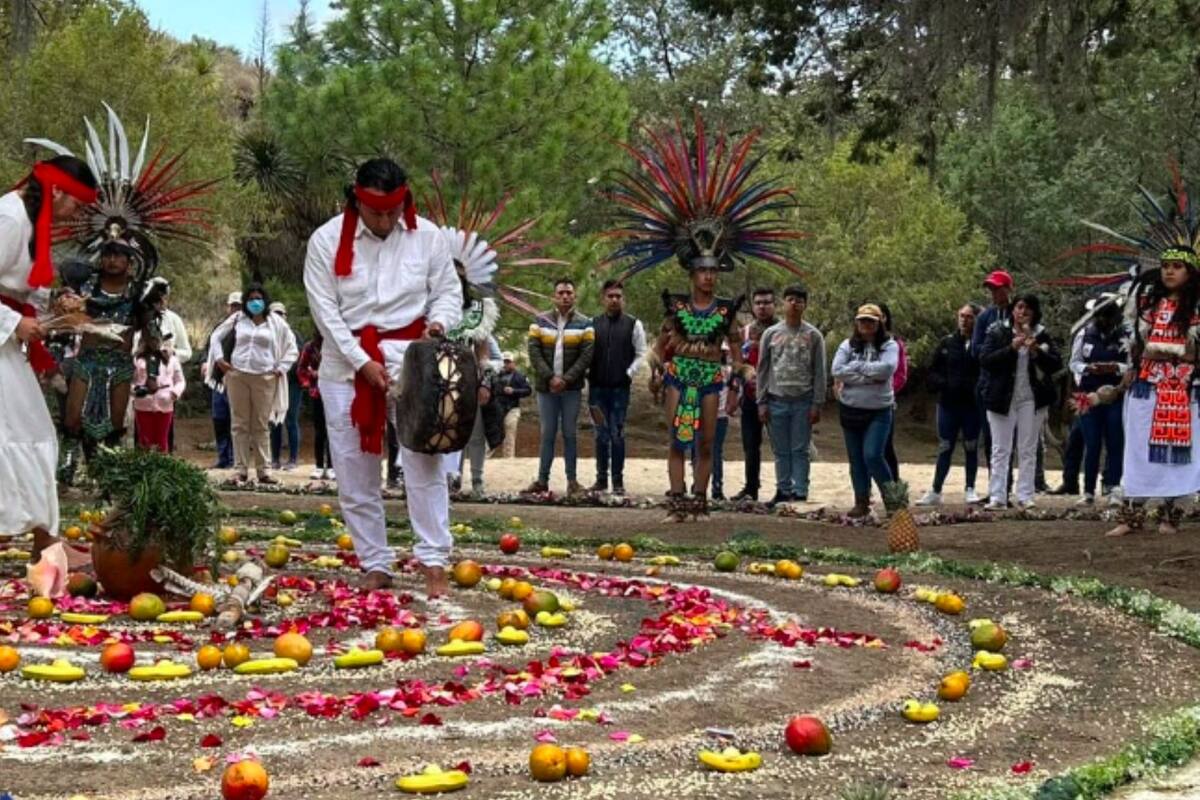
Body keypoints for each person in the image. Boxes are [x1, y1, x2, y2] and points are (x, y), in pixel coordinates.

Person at [603, 117, 802, 521]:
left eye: (713, 271)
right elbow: (660, 350)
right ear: (691, 274)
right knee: (679, 440)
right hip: (680, 376)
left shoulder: (727, 310)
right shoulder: (675, 308)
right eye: (702, 271)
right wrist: (657, 369)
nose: (709, 276)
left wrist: (743, 374)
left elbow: (735, 351)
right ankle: (677, 500)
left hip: (711, 377)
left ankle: (699, 499)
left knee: (708, 442)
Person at [304, 157, 462, 596]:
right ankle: (374, 561)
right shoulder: (324, 240)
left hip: (413, 360)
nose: (387, 220)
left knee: (423, 461)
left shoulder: (427, 235)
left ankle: (433, 559)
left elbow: (448, 291)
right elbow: (325, 313)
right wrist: (360, 362)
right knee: (355, 470)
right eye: (377, 212)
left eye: (394, 211)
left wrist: (439, 324)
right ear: (357, 200)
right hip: (345, 363)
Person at [0, 154, 97, 557]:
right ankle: (42, 541)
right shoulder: (9, 218)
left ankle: (45, 540)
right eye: (76, 204)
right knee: (20, 433)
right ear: (57, 192)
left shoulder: (32, 222)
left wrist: (60, 307)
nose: (76, 215)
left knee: (33, 433)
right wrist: (12, 322)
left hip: (7, 341)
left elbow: (25, 289)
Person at [205, 282, 298, 485]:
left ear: (265, 301)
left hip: (265, 378)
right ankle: (240, 469)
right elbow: (216, 336)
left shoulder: (276, 323)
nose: (255, 303)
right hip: (237, 375)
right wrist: (220, 359)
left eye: (259, 299)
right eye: (251, 299)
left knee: (261, 424)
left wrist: (281, 368)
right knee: (239, 423)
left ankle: (264, 470)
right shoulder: (238, 319)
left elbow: (292, 348)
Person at [977, 294, 1061, 510]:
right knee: (1000, 449)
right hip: (1001, 397)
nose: (1022, 312)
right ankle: (998, 496)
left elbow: (1055, 364)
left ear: (1034, 312)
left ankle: (1025, 495)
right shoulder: (997, 331)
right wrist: (1010, 349)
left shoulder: (1041, 335)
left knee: (1028, 448)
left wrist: (1035, 352)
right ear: (1012, 310)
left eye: (1027, 309)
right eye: (1019, 307)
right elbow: (985, 360)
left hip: (1032, 398)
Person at [755, 283, 826, 505]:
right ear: (783, 303)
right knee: (780, 449)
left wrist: (817, 403)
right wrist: (761, 401)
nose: (794, 304)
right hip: (776, 400)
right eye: (790, 300)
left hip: (803, 400)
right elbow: (762, 369)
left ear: (805, 305)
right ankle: (783, 489)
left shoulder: (813, 336)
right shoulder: (771, 334)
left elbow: (820, 371)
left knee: (800, 448)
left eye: (799, 300)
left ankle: (800, 489)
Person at [525, 278, 594, 496]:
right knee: (547, 433)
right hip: (546, 389)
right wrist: (550, 377)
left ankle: (572, 481)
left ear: (574, 296)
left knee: (569, 433)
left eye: (569, 293)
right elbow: (534, 352)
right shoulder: (540, 321)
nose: (565, 296)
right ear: (554, 296)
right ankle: (542, 480)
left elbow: (587, 354)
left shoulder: (585, 323)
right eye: (561, 293)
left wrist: (566, 379)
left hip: (571, 389)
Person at [831, 304, 899, 517]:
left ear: (880, 323)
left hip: (879, 410)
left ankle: (894, 501)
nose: (866, 325)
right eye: (862, 320)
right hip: (850, 409)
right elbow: (837, 370)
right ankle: (861, 500)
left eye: (871, 321)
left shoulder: (889, 346)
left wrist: (856, 368)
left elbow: (887, 369)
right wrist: (869, 375)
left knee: (873, 455)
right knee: (856, 458)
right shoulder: (846, 345)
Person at [916, 304, 983, 506]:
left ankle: (970, 487)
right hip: (948, 404)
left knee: (971, 446)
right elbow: (933, 370)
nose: (964, 320)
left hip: (972, 406)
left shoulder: (981, 344)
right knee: (945, 446)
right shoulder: (946, 343)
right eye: (961, 316)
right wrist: (943, 384)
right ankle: (936, 489)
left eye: (969, 316)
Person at [588, 279, 647, 494]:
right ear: (603, 299)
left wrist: (628, 373)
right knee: (600, 434)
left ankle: (618, 482)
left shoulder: (634, 324)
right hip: (596, 390)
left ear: (624, 299)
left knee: (617, 434)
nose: (614, 300)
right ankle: (601, 479)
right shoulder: (592, 324)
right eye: (610, 296)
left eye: (618, 296)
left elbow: (641, 354)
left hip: (620, 390)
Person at [1068, 297, 1129, 506]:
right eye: (1100, 315)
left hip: (1115, 394)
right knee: (1091, 442)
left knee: (1115, 440)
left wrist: (1115, 367)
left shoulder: (1125, 335)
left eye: (1107, 315)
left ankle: (1113, 487)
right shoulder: (1084, 334)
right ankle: (1088, 491)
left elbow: (1132, 365)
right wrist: (1088, 368)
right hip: (1086, 395)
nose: (1103, 320)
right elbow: (1073, 363)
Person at [730, 287, 777, 502]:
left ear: (774, 305)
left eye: (767, 302)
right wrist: (733, 391)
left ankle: (785, 488)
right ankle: (751, 488)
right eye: (758, 303)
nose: (762, 306)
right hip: (749, 396)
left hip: (777, 396)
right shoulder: (745, 333)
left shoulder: (782, 330)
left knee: (780, 446)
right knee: (750, 445)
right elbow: (736, 364)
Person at [131, 325, 185, 453]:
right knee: (145, 441)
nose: (154, 342)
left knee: (162, 441)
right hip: (144, 403)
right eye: (150, 339)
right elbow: (130, 380)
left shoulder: (171, 359)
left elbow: (180, 380)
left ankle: (163, 469)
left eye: (156, 339)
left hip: (165, 403)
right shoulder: (138, 360)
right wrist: (135, 390)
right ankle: (145, 469)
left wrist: (174, 393)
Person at [206, 291, 240, 469]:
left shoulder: (246, 329)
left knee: (235, 420)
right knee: (219, 419)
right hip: (218, 381)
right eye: (233, 306)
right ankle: (223, 457)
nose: (235, 310)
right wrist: (206, 364)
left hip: (237, 380)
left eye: (239, 306)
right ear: (228, 307)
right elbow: (209, 350)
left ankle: (235, 458)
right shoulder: (219, 328)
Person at [268, 301, 303, 471]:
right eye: (275, 314)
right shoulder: (267, 335)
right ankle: (274, 458)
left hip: (292, 385)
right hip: (272, 384)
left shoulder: (294, 335)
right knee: (274, 421)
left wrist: (283, 369)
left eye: (281, 314)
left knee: (291, 420)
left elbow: (300, 360)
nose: (278, 317)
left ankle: (293, 459)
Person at [297, 329, 333, 481]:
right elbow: (301, 368)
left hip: (333, 393)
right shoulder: (309, 348)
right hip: (316, 393)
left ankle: (332, 466)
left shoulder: (334, 346)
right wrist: (308, 379)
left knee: (332, 430)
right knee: (319, 431)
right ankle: (318, 466)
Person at [879, 303, 908, 482]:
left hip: (885, 402)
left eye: (881, 315)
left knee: (886, 447)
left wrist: (888, 390)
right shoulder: (855, 344)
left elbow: (901, 374)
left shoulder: (895, 344)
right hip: (860, 403)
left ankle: (894, 487)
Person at [494, 353, 531, 458]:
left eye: (508, 362)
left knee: (510, 433)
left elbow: (528, 390)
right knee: (493, 432)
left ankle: (508, 459)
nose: (506, 364)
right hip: (497, 408)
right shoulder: (496, 375)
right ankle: (484, 459)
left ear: (513, 363)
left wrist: (514, 391)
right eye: (504, 362)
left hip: (512, 408)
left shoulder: (520, 376)